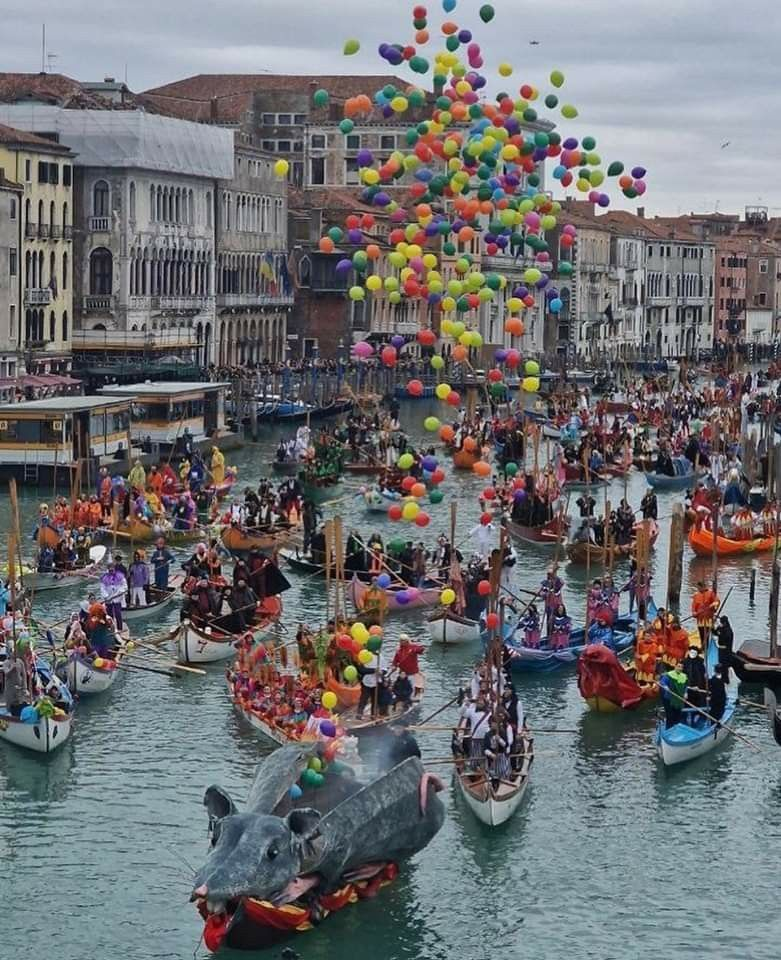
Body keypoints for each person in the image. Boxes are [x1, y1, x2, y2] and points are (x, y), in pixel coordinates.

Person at [100, 561, 128, 631]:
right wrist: (106, 596)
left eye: (112, 570)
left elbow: (124, 587)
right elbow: (102, 588)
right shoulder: (104, 578)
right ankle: (110, 628)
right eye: (110, 570)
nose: (111, 571)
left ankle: (120, 628)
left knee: (118, 614)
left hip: (117, 599)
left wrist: (118, 593)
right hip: (108, 600)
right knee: (109, 615)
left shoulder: (120, 576)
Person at [682, 644, 708, 720]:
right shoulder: (684, 662)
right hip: (688, 687)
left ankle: (700, 715)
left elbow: (702, 675)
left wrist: (699, 686)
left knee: (699, 701)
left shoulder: (701, 662)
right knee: (687, 702)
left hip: (698, 687)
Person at [659, 661, 688, 728]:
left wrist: (686, 693)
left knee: (678, 715)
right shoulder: (668, 675)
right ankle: (669, 728)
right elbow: (662, 682)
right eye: (678, 666)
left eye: (681, 667)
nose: (680, 668)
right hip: (669, 699)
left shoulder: (684, 676)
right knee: (670, 716)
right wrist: (665, 686)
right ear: (675, 667)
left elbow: (685, 686)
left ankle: (677, 728)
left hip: (678, 698)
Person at [692, 580, 719, 648]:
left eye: (699, 587)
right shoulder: (696, 595)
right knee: (701, 634)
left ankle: (707, 647)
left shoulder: (710, 593)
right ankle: (703, 646)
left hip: (708, 618)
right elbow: (694, 606)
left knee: (707, 634)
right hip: (700, 618)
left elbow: (717, 601)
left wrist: (712, 605)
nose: (698, 589)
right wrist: (694, 612)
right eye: (698, 588)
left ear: (703, 587)